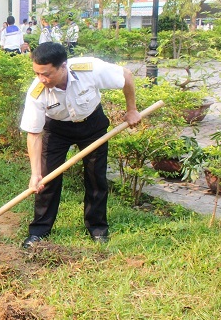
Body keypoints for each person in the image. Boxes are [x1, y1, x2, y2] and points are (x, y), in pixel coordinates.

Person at [19, 42, 141, 248]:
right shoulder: (37, 92)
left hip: (92, 124)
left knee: (96, 177)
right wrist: (35, 173)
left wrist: (132, 110)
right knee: (47, 180)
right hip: (56, 129)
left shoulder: (91, 69)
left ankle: (97, 227)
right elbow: (34, 134)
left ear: (63, 66)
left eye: (46, 74)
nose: (41, 79)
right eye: (37, 73)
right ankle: (39, 230)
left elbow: (126, 76)